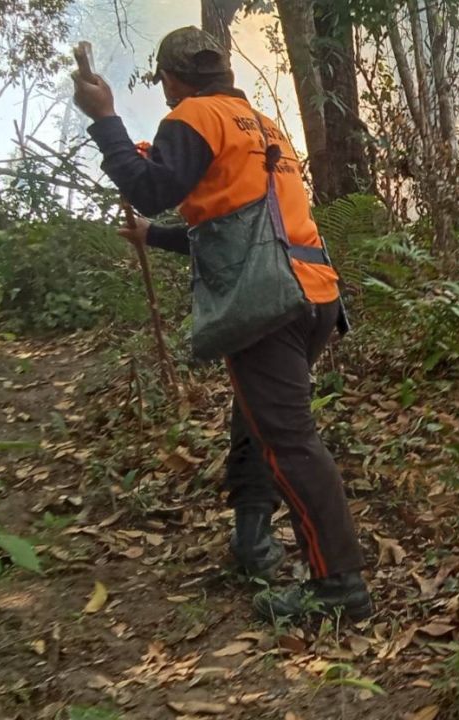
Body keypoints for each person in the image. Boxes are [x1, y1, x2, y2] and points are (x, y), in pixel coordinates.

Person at [71, 27, 372, 622]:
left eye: (163, 82)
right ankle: (252, 543)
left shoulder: (192, 118)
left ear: (173, 79)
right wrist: (153, 237)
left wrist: (104, 119)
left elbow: (151, 189)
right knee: (256, 420)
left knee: (289, 441)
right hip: (311, 293)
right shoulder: (258, 123)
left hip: (267, 305)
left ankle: (340, 586)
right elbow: (241, 230)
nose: (164, 93)